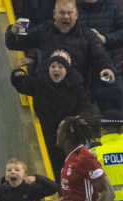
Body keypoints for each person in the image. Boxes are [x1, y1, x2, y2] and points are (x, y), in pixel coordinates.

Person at [5, 0, 116, 100]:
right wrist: (12, 32)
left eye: (69, 13)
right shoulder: (43, 30)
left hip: (76, 96)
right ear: (54, 14)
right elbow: (14, 44)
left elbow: (100, 55)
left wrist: (106, 68)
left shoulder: (87, 35)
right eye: (62, 13)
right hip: (47, 96)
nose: (66, 17)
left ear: (76, 14)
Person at [11, 48, 91, 183]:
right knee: (53, 166)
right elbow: (23, 85)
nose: (56, 70)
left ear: (67, 69)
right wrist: (17, 74)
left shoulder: (77, 86)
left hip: (68, 134)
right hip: (47, 131)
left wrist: (78, 120)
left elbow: (85, 107)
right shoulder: (41, 83)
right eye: (53, 66)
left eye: (60, 67)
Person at [76, 0, 123, 117]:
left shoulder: (114, 5)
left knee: (119, 123)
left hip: (109, 74)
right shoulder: (70, 5)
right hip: (79, 75)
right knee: (76, 125)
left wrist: (105, 39)